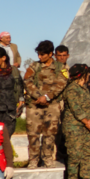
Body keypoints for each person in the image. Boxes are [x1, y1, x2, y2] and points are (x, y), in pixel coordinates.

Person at [24, 40, 67, 168]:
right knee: (33, 134)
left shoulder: (60, 68)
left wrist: (47, 97)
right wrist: (39, 96)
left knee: (50, 134)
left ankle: (47, 158)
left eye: (42, 54)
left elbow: (61, 84)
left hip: (52, 106)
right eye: (39, 54)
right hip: (34, 106)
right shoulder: (33, 67)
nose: (40, 57)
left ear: (50, 54)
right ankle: (33, 160)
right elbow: (27, 81)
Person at [62, 65, 90, 179]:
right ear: (82, 75)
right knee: (75, 154)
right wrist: (87, 122)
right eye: (87, 74)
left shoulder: (85, 88)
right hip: (74, 127)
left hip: (87, 126)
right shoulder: (71, 89)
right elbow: (76, 109)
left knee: (87, 153)